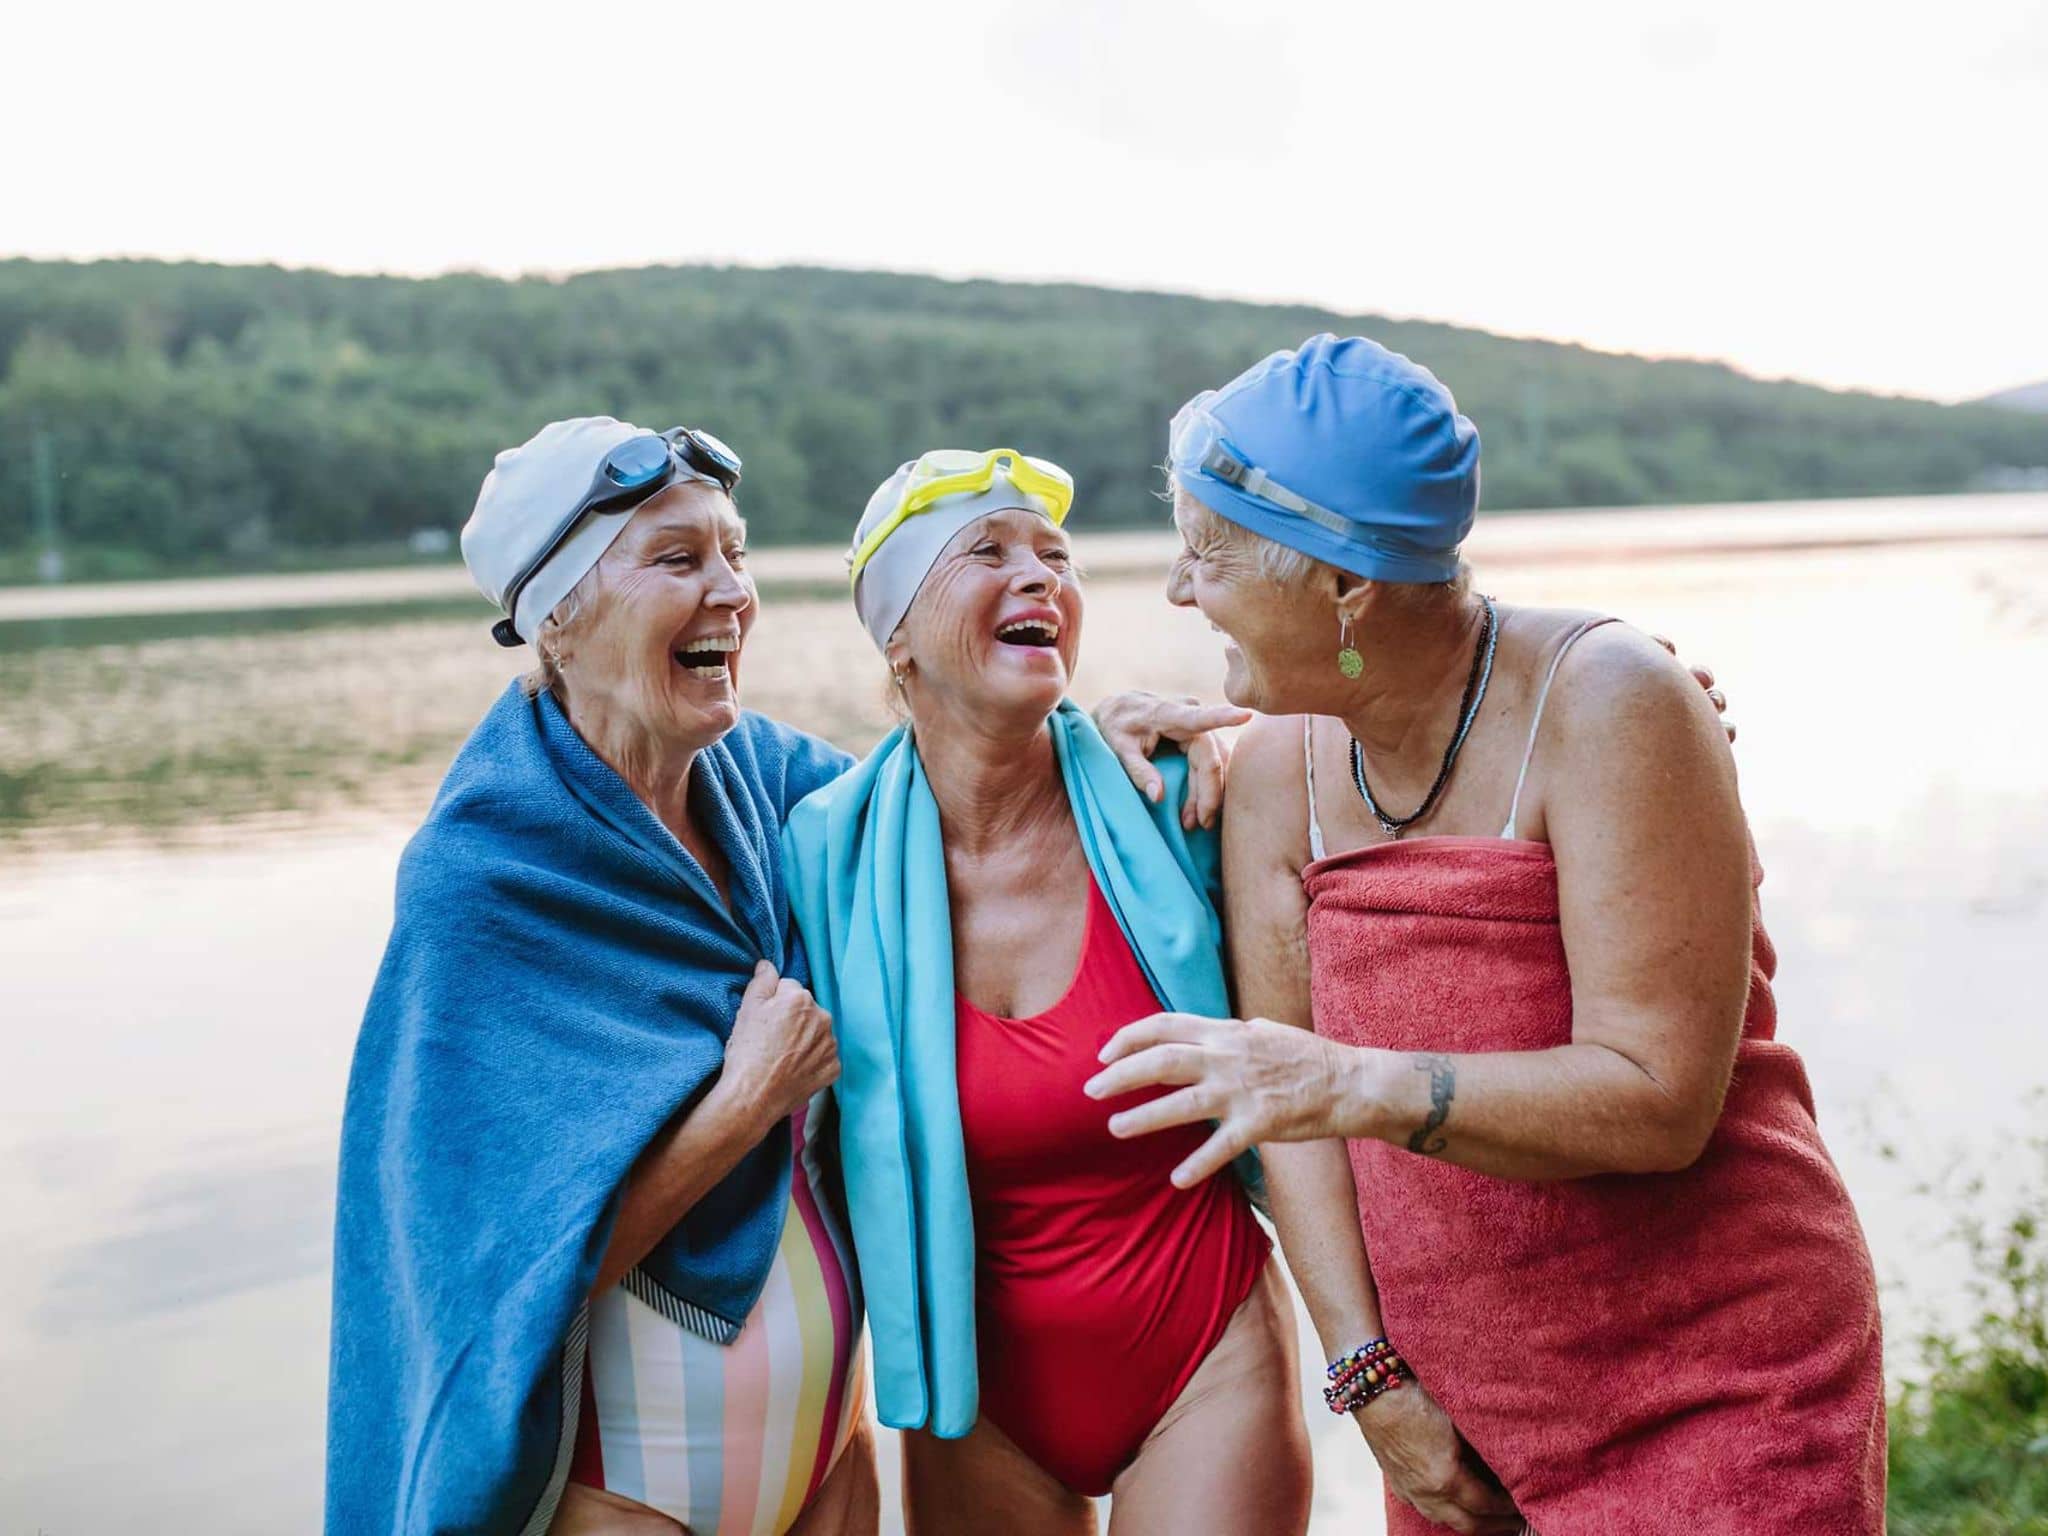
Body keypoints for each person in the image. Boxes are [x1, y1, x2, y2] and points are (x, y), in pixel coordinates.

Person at [326, 419, 1218, 1536]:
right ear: (558, 616)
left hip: (826, 1460)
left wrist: (1104, 741)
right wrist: (747, 1097)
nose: (731, 594)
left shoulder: (765, 783)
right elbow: (493, 1274)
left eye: (735, 555)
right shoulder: (486, 883)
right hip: (633, 1477)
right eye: (676, 559)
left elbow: (969, 792)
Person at [1089, 338, 1886, 1535]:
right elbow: (1290, 1117)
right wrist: (1366, 1379)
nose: (1176, 590)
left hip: (1721, 1392)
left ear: (1340, 586)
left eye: (1205, 552)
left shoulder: (1611, 701)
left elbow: (1658, 1099)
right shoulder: (1272, 769)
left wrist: (1351, 1081)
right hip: (1460, 1431)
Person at [783, 450, 1313, 1536]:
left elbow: (1368, 788)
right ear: (895, 637)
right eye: (986, 551)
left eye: (1056, 558)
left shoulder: (1167, 796)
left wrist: (1595, 693)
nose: (1039, 577)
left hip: (1201, 1353)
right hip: (971, 1394)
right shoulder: (822, 857)